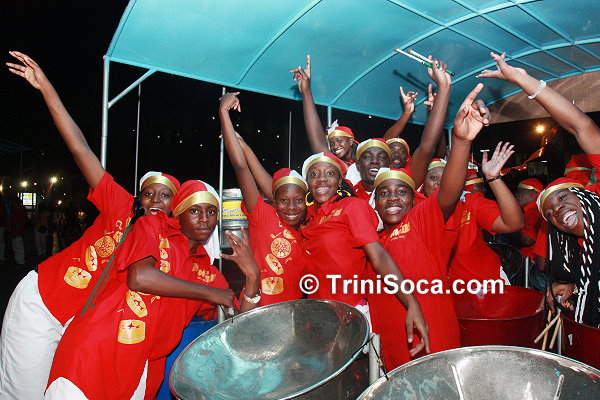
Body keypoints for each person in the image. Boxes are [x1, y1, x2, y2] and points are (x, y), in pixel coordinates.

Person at [0, 51, 181, 400]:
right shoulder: (118, 205)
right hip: (43, 306)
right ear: (138, 198)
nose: (155, 201)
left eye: (165, 196)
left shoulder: (167, 247)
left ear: (175, 207)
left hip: (79, 327)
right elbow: (79, 148)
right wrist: (46, 88)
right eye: (148, 194)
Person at [46, 180, 261, 399]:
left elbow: (240, 325)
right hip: (94, 353)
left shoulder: (207, 273)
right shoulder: (153, 227)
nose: (205, 219)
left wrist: (253, 276)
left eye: (211, 212)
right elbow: (139, 277)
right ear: (178, 214)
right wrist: (210, 293)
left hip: (141, 371)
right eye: (194, 210)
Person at [370, 83, 489, 369]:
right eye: (384, 193)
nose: (393, 198)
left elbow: (449, 191)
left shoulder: (421, 222)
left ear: (415, 200)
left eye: (402, 192)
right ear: (374, 203)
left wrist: (461, 141)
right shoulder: (371, 240)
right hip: (392, 350)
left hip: (433, 344)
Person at [478, 51, 600, 327]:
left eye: (562, 197)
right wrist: (576, 288)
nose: (558, 210)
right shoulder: (577, 248)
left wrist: (525, 82)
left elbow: (582, 127)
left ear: (585, 194)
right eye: (550, 214)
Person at [300, 151, 430, 356]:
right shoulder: (309, 219)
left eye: (330, 173)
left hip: (348, 319)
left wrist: (410, 301)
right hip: (316, 321)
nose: (322, 179)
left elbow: (378, 255)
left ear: (340, 181)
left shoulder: (352, 207)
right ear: (307, 183)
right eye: (314, 174)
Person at [219, 92, 308, 305]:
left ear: (307, 201)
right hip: (255, 311)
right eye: (283, 200)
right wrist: (223, 113)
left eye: (298, 200)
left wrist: (245, 147)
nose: (292, 207)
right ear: (274, 201)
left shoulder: (309, 229)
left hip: (292, 316)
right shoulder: (264, 216)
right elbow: (241, 168)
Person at [446, 141, 524, 284]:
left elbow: (514, 223)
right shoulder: (418, 210)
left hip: (486, 282)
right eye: (433, 178)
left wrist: (493, 178)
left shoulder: (470, 202)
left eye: (443, 178)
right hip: (447, 287)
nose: (440, 183)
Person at [290, 55, 357, 168]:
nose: (335, 146)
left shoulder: (363, 163)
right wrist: (306, 91)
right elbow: (319, 145)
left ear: (351, 140)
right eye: (332, 143)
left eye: (339, 140)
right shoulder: (342, 168)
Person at [504, 178, 544, 259]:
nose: (516, 195)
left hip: (530, 262)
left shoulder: (534, 210)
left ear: (532, 193)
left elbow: (527, 239)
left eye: (519, 192)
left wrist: (506, 227)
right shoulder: (529, 210)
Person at [9, 196, 27, 266]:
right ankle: (19, 261)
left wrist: (15, 230)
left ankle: (20, 262)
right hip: (17, 231)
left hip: (17, 231)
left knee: (18, 247)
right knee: (17, 246)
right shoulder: (19, 209)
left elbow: (17, 221)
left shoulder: (17, 209)